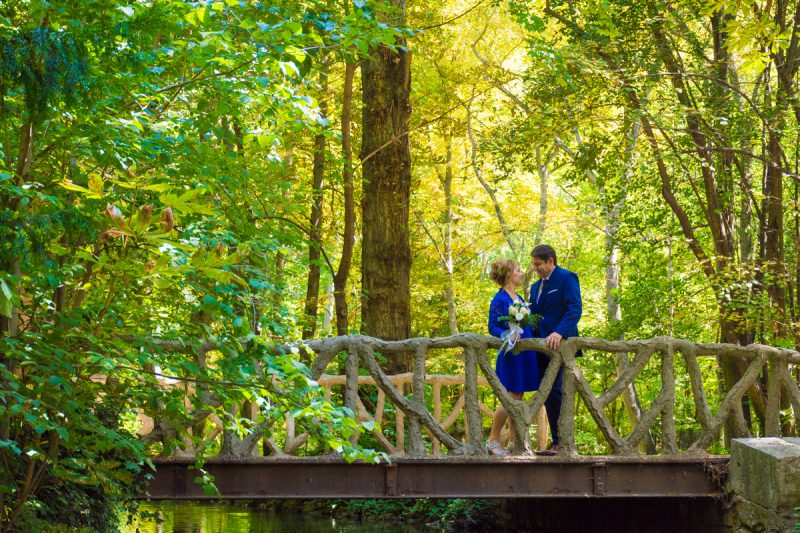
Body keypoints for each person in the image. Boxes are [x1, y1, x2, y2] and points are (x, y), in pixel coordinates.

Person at [529, 244, 582, 455]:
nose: (535, 268)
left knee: (557, 390)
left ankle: (562, 441)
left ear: (551, 261)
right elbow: (533, 316)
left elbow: (574, 309)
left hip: (560, 346)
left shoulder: (567, 278)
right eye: (533, 264)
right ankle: (556, 440)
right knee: (547, 392)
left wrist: (559, 332)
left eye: (538, 264)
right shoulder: (535, 287)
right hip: (540, 347)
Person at [486, 258, 540, 456]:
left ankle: (516, 442)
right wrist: (506, 334)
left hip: (525, 354)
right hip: (512, 354)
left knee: (519, 397)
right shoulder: (500, 299)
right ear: (508, 274)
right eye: (517, 270)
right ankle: (493, 440)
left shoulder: (519, 297)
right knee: (512, 396)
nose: (520, 273)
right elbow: (493, 326)